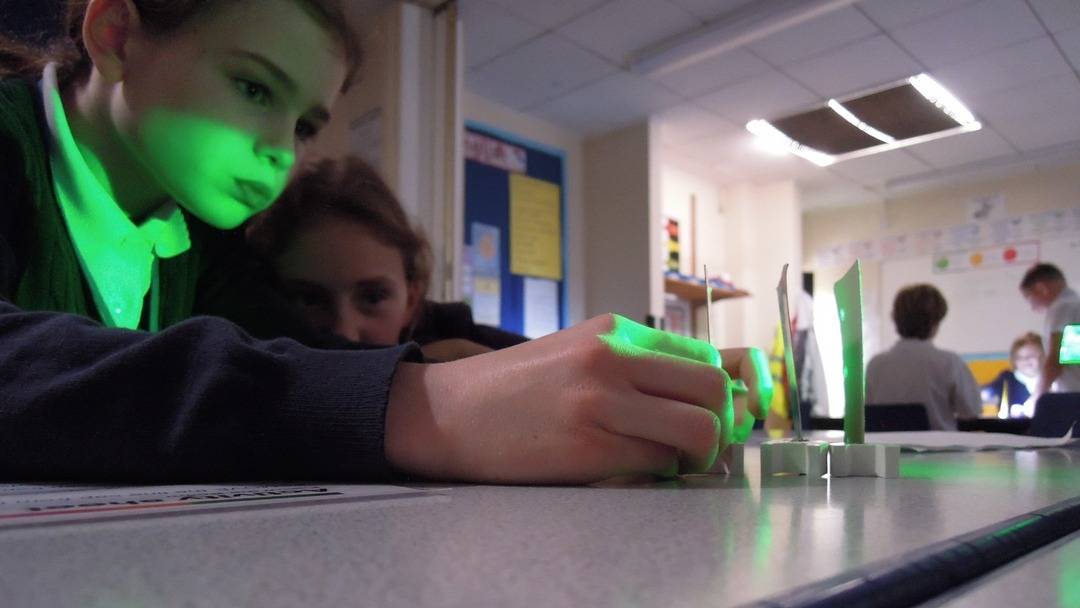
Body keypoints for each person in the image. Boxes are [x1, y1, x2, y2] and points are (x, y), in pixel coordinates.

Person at [0, 0, 770, 484]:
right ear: (116, 33)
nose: (281, 150)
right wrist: (423, 411)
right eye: (254, 87)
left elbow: (308, 352)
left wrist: (598, 373)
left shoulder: (195, 238)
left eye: (304, 124)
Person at [245, 156, 527, 361]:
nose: (346, 332)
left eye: (373, 298)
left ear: (411, 300)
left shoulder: (463, 345)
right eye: (309, 300)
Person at [866, 284, 981, 430]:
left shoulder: (875, 365)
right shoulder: (949, 363)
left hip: (888, 449)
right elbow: (971, 410)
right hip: (941, 450)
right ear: (935, 322)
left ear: (895, 319)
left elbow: (868, 411)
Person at [1019, 263, 1080, 396]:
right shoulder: (1075, 304)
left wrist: (1037, 398)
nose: (1032, 307)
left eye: (1030, 298)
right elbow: (1071, 356)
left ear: (1042, 288)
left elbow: (1055, 361)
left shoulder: (1061, 307)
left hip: (1073, 396)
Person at [982, 332, 1043, 418]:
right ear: (1014, 360)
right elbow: (987, 392)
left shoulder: (1051, 381)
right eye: (1020, 357)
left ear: (1043, 356)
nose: (1025, 361)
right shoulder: (1007, 379)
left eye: (1031, 356)